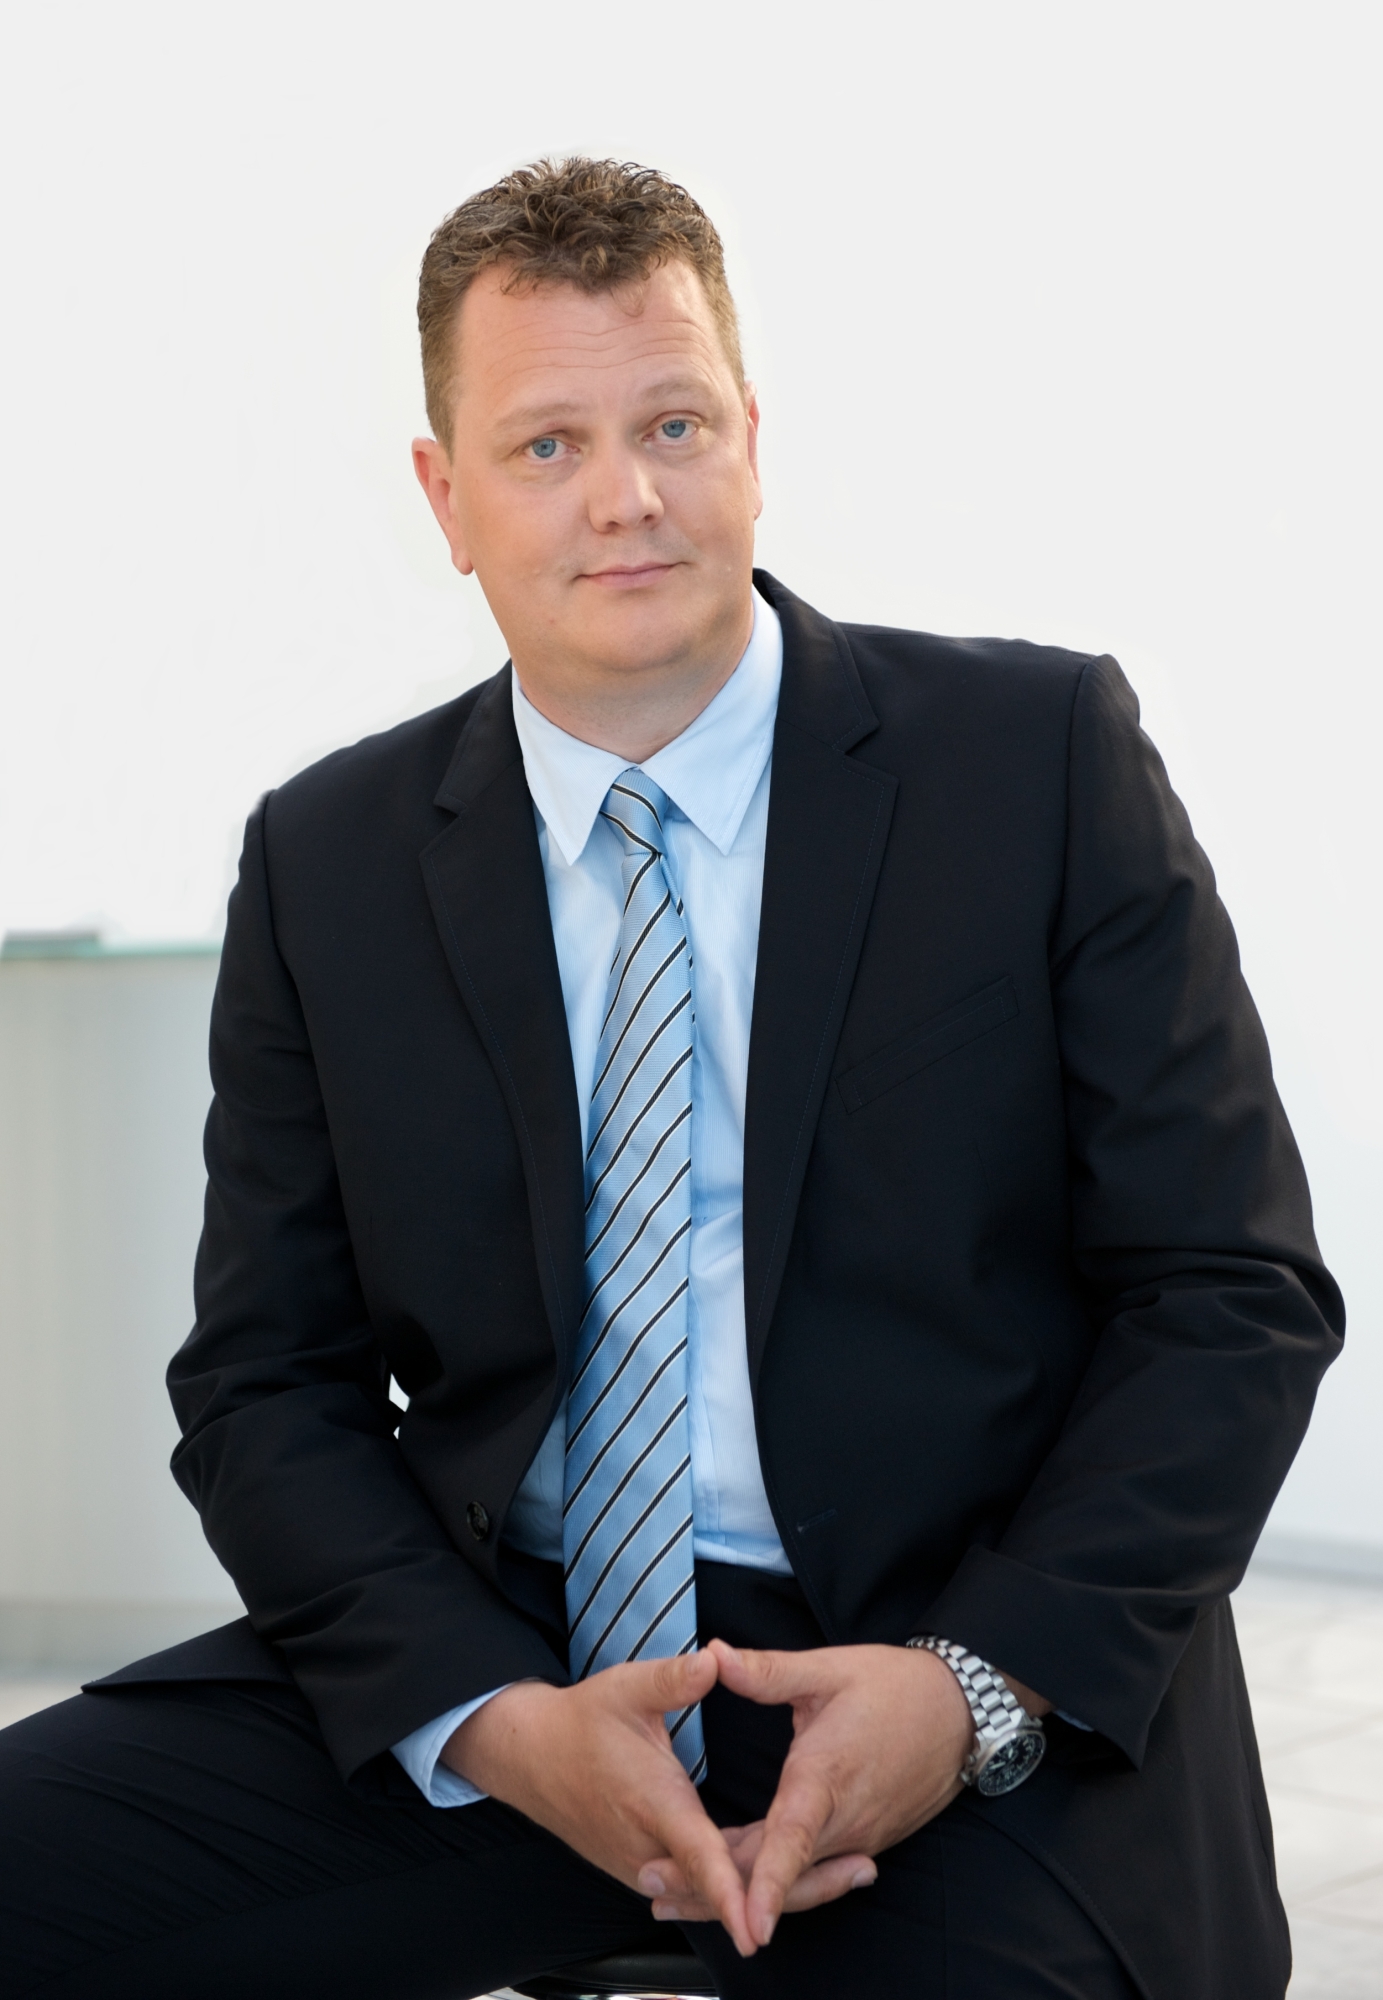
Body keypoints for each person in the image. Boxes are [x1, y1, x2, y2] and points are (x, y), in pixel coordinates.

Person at [0, 158, 1343, 2000]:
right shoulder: (328, 859)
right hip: (516, 1654)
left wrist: (975, 1687)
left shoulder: (1035, 761)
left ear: (753, 440)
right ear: (445, 499)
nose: (625, 495)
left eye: (674, 423)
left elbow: (1228, 1294)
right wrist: (491, 1718)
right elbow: (265, 1384)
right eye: (546, 444)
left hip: (955, 1665)